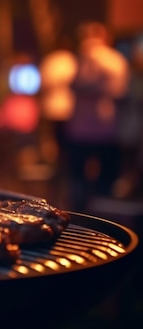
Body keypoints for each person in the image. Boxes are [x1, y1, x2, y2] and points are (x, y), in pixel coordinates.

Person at [63, 21, 129, 211]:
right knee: (104, 180)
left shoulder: (80, 60)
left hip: (85, 128)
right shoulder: (115, 60)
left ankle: (80, 212)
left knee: (78, 177)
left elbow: (72, 86)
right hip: (105, 127)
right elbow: (121, 93)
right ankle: (101, 214)